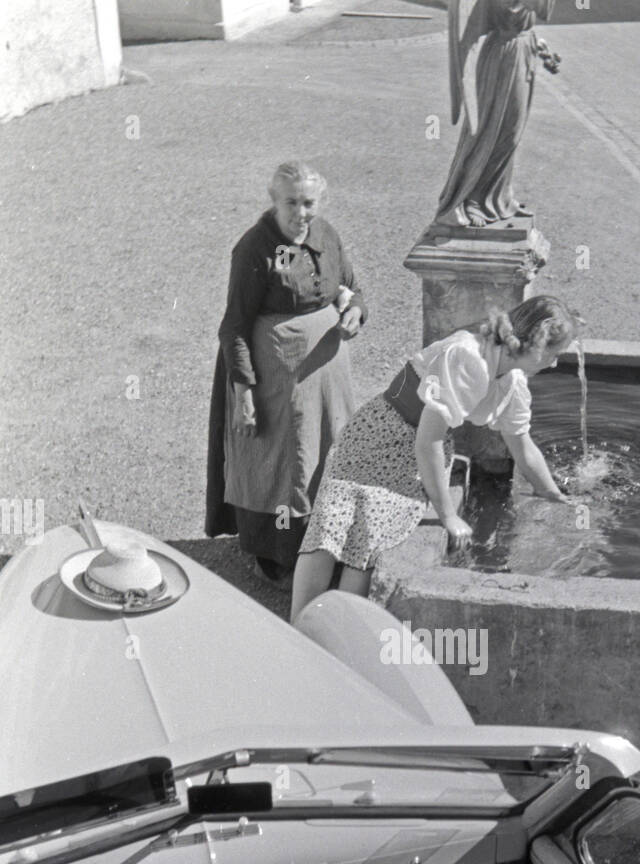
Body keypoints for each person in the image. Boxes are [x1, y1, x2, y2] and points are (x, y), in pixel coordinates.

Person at [289, 295, 573, 621]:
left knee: (369, 537)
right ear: (535, 346)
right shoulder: (469, 357)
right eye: (553, 354)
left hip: (414, 457)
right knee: (329, 525)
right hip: (378, 433)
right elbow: (429, 442)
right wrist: (448, 515)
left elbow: (523, 447)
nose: (553, 364)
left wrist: (552, 493)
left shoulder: (512, 382)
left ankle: (338, 632)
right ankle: (299, 625)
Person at [205, 162, 366, 587]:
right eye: (291, 202)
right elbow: (234, 326)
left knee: (324, 455)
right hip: (277, 378)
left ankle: (326, 548)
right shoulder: (255, 248)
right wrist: (243, 393)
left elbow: (352, 285)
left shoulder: (326, 236)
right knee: (281, 466)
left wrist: (355, 310)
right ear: (274, 201)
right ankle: (279, 559)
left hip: (326, 376)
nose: (301, 212)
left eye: (309, 202)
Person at [437, 0, 559, 228]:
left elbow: (533, 14)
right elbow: (517, 10)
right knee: (488, 130)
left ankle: (498, 198)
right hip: (504, 58)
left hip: (523, 50)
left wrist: (537, 44)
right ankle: (466, 200)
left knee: (511, 133)